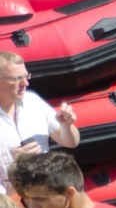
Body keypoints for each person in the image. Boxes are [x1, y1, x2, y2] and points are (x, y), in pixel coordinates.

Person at [0, 51, 79, 196]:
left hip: (46, 191)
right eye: (16, 79)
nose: (25, 83)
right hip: (9, 200)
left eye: (26, 76)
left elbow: (70, 142)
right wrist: (10, 160)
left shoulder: (33, 101)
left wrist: (66, 125)